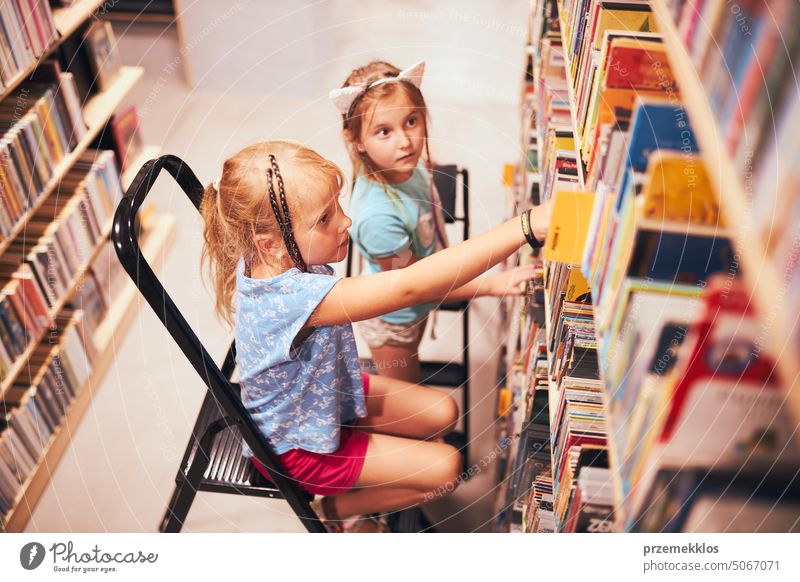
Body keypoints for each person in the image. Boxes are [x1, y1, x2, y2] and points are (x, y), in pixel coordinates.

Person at [200, 140, 550, 530]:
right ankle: (333, 514)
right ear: (272, 244)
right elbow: (408, 286)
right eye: (324, 218)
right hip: (297, 447)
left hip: (326, 396)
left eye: (338, 206)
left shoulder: (262, 251)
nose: (346, 222)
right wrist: (526, 226)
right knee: (447, 469)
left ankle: (374, 481)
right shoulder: (293, 300)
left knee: (444, 414)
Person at [333, 60, 535, 382]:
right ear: (356, 140)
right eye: (384, 131)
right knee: (403, 390)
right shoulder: (377, 219)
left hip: (420, 298)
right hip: (394, 320)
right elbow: (418, 285)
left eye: (411, 121)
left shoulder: (405, 163)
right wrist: (492, 284)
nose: (405, 142)